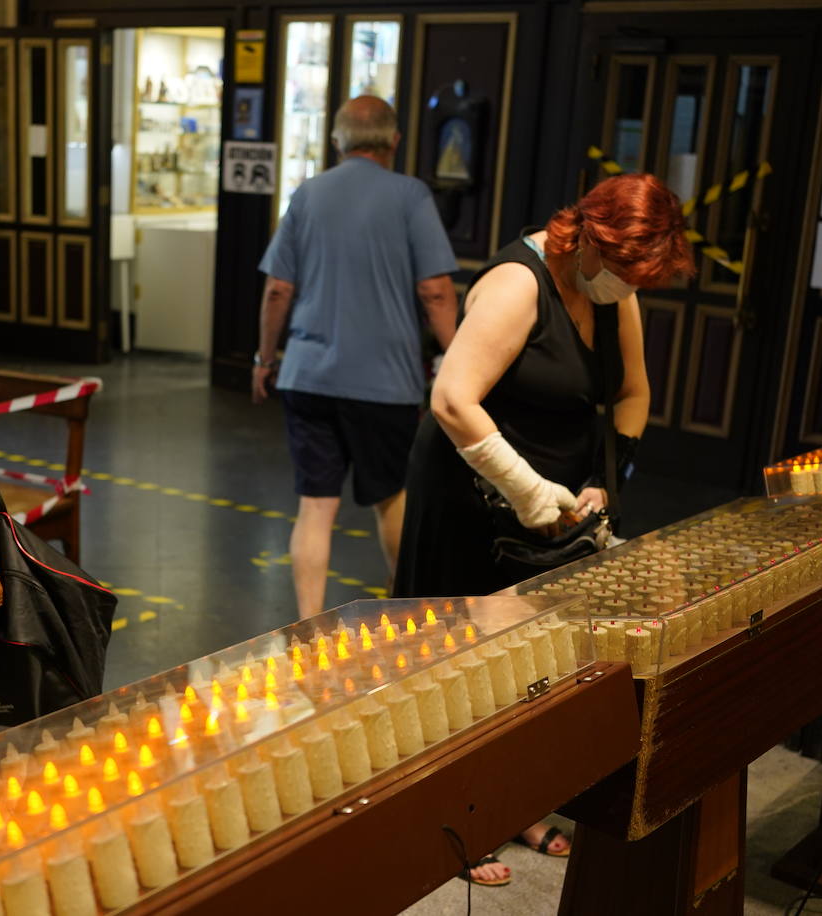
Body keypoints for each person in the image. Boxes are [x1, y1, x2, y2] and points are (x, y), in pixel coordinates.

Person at [393, 172, 695, 884]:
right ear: (588, 236)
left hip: (558, 504)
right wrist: (530, 493)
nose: (627, 289)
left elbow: (632, 392)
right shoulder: (516, 284)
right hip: (474, 496)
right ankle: (454, 819)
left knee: (532, 667)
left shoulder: (611, 292)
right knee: (461, 664)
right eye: (621, 271)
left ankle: (513, 802)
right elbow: (452, 399)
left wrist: (605, 485)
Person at [253, 95, 459, 620]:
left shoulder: (306, 195)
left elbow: (278, 288)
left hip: (308, 376)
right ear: (393, 140)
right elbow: (436, 291)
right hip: (386, 383)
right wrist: (458, 362)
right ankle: (404, 607)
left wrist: (264, 358)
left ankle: (307, 624)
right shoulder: (411, 196)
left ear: (336, 141)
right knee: (390, 496)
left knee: (315, 507)